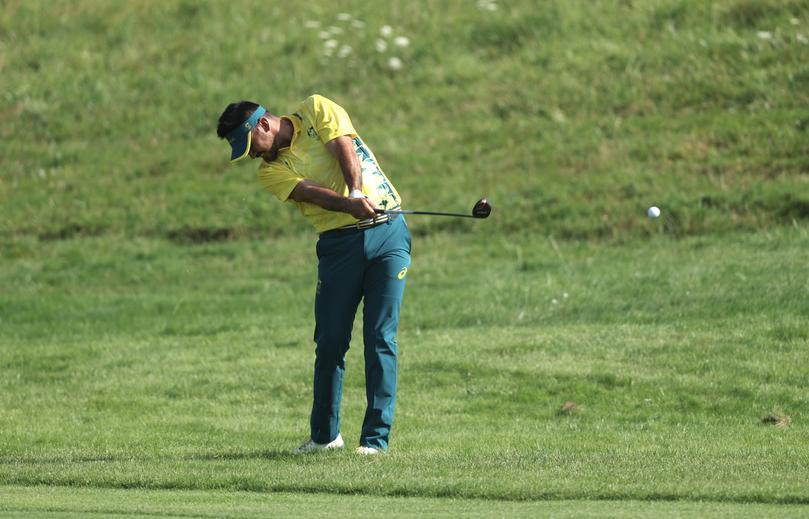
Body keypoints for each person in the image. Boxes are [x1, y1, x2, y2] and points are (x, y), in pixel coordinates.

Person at [216, 94, 411, 455]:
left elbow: (343, 147)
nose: (253, 156)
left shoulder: (316, 108)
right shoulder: (270, 172)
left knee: (380, 337)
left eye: (251, 146)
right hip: (339, 247)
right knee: (331, 340)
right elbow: (312, 193)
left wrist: (356, 192)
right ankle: (325, 437)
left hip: (388, 233)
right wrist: (349, 205)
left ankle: (374, 442)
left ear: (264, 124)